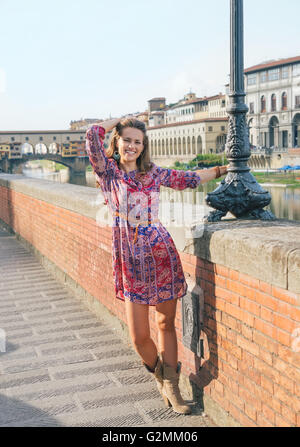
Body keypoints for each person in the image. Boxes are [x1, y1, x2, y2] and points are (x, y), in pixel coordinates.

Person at [86, 117, 228, 415]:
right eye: (127, 140)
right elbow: (91, 135)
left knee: (165, 323)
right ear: (117, 142)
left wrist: (222, 170)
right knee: (139, 336)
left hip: (160, 251)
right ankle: (161, 376)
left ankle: (174, 389)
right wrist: (121, 118)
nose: (132, 146)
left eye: (138, 141)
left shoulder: (153, 174)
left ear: (143, 146)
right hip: (129, 258)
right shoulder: (107, 173)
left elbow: (186, 179)